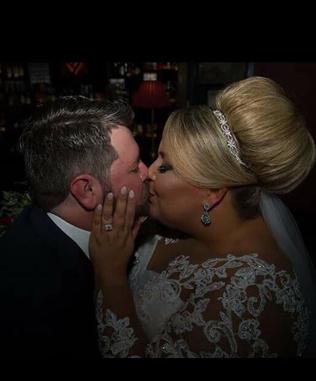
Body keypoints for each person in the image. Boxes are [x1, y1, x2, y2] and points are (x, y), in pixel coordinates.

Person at [89, 76, 316, 358]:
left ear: (212, 192)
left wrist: (109, 274)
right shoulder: (173, 226)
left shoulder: (249, 294)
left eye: (166, 165)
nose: (149, 172)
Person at [0, 96, 148, 359]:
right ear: (87, 190)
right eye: (135, 167)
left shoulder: (38, 226)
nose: (147, 173)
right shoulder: (43, 297)